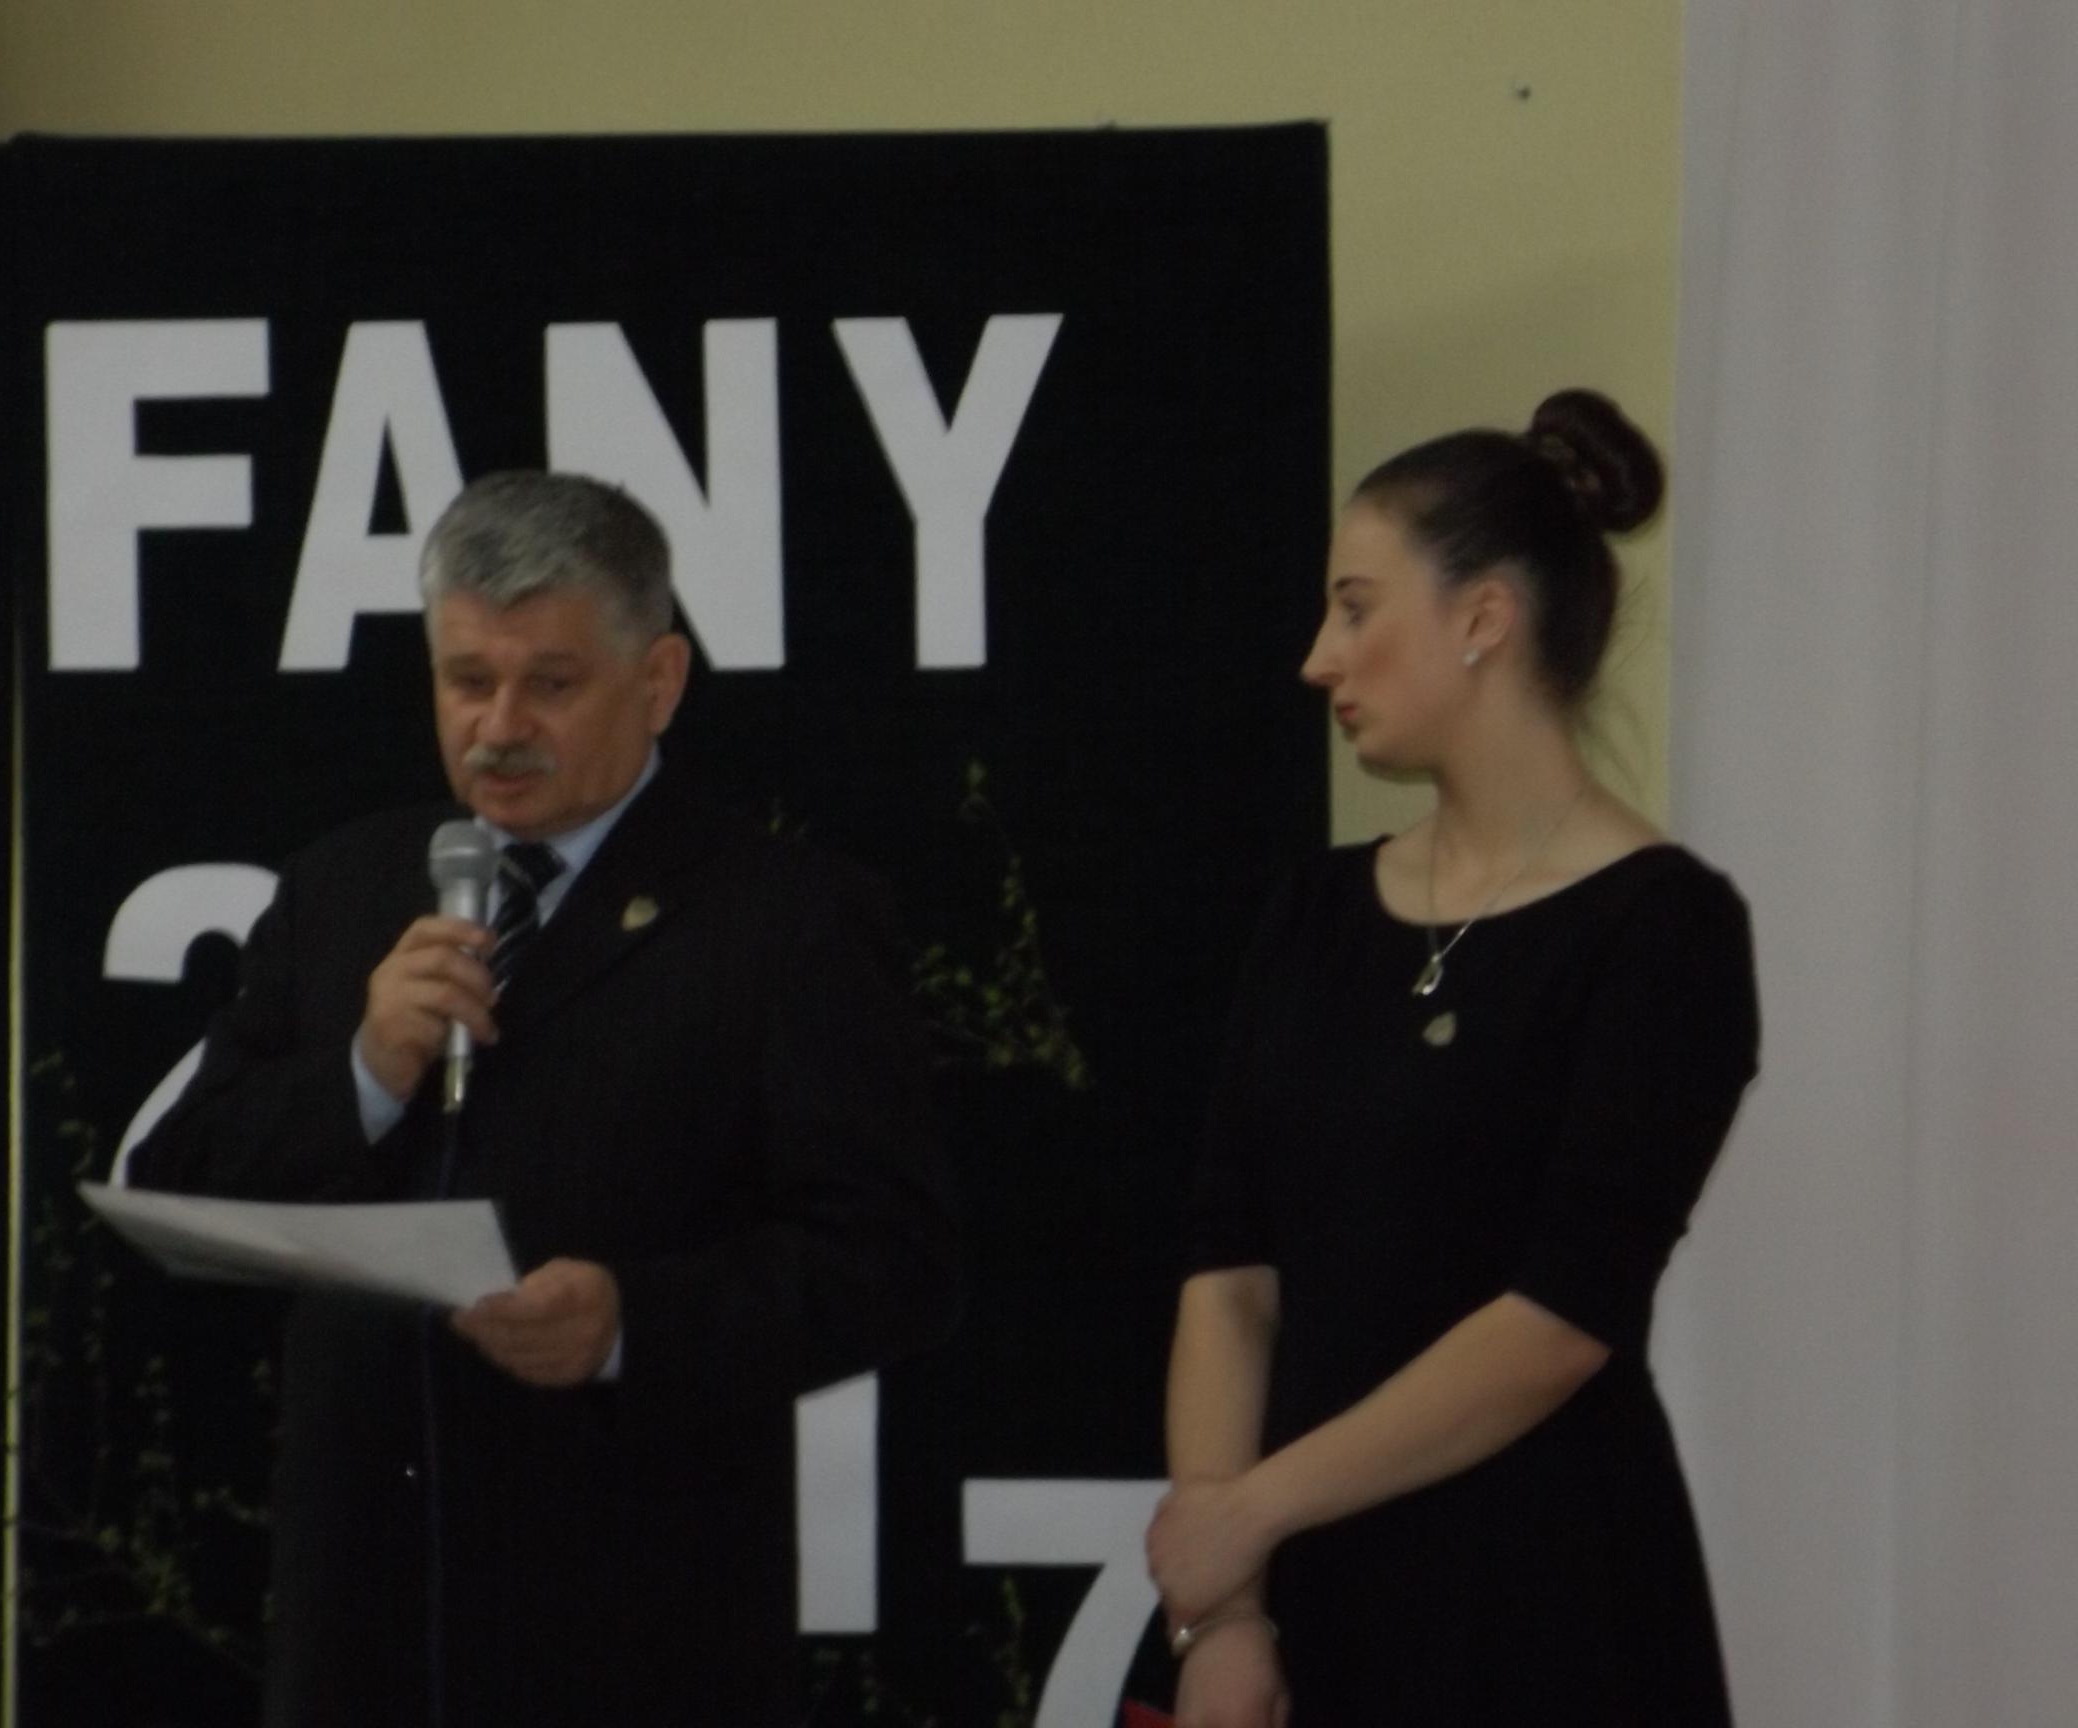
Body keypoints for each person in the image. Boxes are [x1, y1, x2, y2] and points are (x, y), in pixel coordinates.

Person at [128, 471, 961, 1726]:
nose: (499, 726)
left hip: (636, 1632)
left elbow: (895, 1259)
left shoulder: (785, 917)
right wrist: (364, 1070)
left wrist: (633, 1322)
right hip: (364, 1626)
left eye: (551, 684)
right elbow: (181, 1175)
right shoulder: (345, 886)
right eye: (467, 680)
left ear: (658, 681)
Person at [1147, 391, 1759, 1726]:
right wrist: (1228, 1612)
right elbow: (1230, 1271)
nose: (1320, 659)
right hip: (1297, 1596)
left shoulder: (1664, 931)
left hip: (1540, 1600)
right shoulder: (1313, 911)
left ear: (1484, 618)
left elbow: (1561, 1320)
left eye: (1355, 609)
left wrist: (1250, 1511)